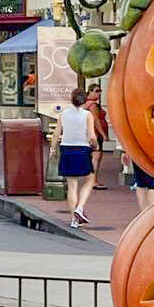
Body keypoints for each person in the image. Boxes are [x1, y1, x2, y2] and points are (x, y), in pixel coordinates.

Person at [53, 88, 97, 228]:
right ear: (85, 100)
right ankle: (80, 207)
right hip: (82, 149)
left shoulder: (64, 114)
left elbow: (56, 134)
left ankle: (74, 219)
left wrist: (53, 149)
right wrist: (95, 145)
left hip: (66, 148)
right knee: (90, 179)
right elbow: (91, 136)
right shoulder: (87, 115)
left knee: (72, 185)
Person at [84, 84, 111, 188]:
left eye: (100, 91)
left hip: (90, 133)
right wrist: (104, 135)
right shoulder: (92, 105)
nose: (99, 93)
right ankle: (93, 181)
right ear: (90, 91)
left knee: (93, 158)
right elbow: (96, 120)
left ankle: (91, 180)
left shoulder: (87, 104)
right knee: (96, 157)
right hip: (95, 134)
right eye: (97, 91)